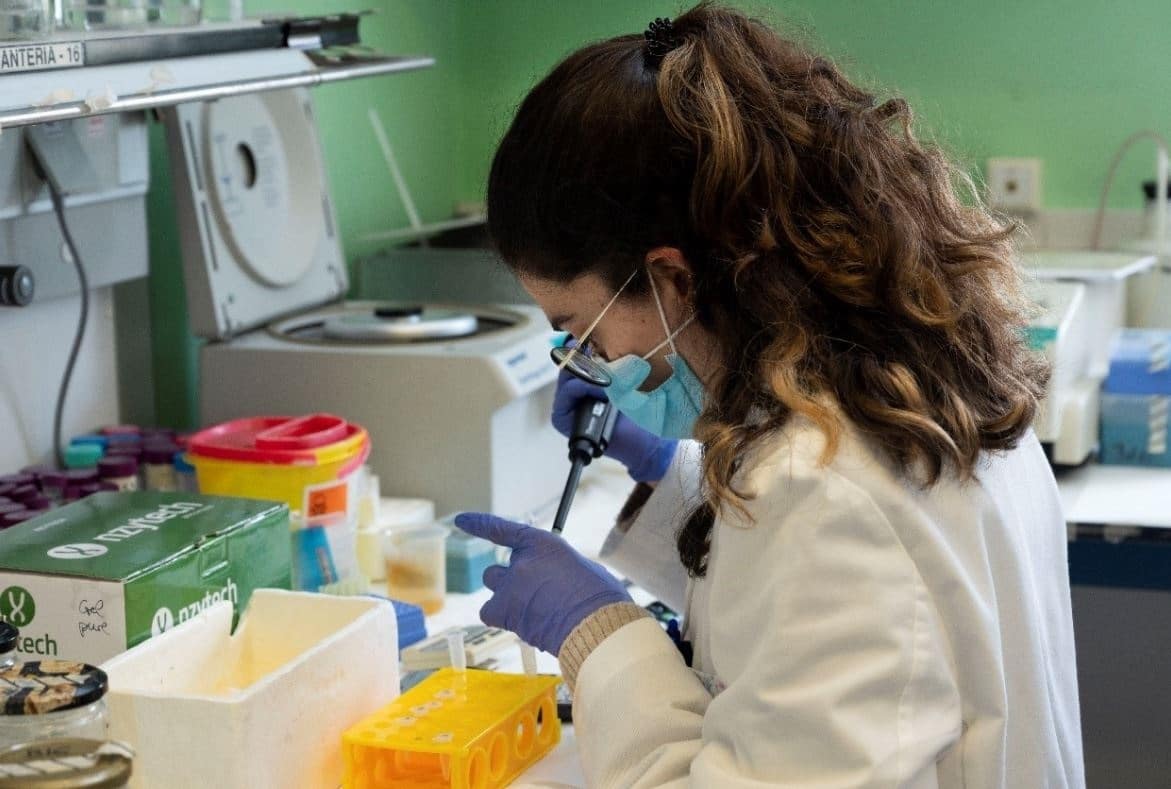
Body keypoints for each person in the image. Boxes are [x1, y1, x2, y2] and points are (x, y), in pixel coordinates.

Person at [454, 4, 1084, 787]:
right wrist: (664, 482)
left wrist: (598, 633)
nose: (586, 363)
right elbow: (814, 611)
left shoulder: (817, 486)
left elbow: (821, 564)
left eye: (578, 329)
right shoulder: (912, 373)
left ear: (672, 277)